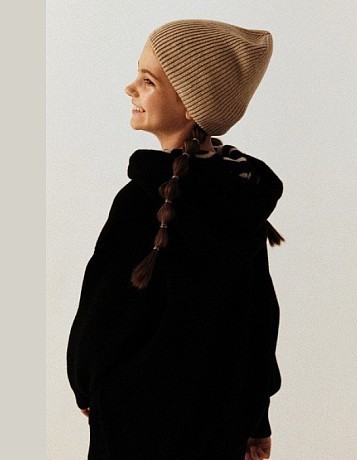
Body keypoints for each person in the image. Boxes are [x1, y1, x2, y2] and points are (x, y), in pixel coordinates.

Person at [66, 18, 284, 460]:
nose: (130, 88)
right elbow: (258, 321)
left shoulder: (141, 201)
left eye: (148, 81)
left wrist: (85, 385)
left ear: (190, 104)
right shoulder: (242, 198)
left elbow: (101, 315)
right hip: (218, 426)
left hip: (133, 426)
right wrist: (255, 420)